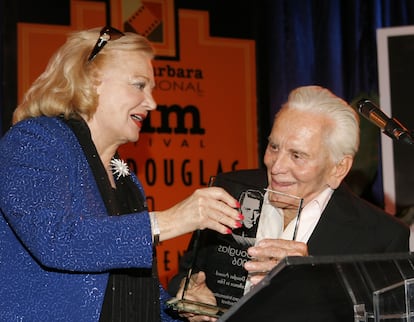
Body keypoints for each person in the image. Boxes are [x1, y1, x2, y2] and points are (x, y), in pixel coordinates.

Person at [0, 26, 243, 322]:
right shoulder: (35, 140)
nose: (152, 103)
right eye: (139, 85)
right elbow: (55, 239)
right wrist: (170, 219)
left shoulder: (126, 180)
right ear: (89, 80)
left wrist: (180, 307)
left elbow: (127, 291)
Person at [168, 85, 410, 322]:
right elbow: (187, 273)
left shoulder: (382, 237)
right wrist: (189, 292)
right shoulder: (229, 191)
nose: (276, 166)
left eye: (297, 155)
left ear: (339, 168)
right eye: (274, 146)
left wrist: (311, 280)